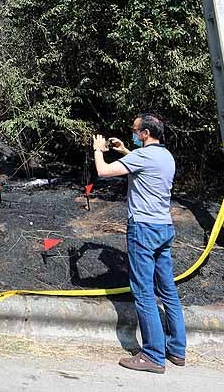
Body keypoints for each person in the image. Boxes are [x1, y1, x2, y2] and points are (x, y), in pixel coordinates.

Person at [93, 113, 187, 374]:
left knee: (144, 291)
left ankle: (154, 355)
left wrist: (98, 150)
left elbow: (103, 171)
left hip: (143, 229)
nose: (132, 133)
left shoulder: (142, 157)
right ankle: (177, 350)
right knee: (167, 289)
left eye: (135, 130)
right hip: (164, 228)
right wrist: (124, 150)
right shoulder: (165, 156)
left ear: (145, 133)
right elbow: (141, 168)